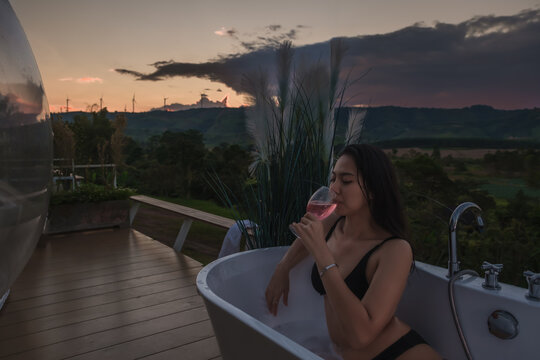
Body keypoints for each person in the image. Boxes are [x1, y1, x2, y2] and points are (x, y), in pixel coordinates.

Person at [265, 144, 441, 360]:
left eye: (346, 181)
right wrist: (283, 267)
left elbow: (361, 336)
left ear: (373, 189)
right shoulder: (333, 221)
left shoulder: (394, 250)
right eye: (333, 179)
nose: (334, 189)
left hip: (395, 353)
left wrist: (323, 256)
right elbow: (305, 239)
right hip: (340, 353)